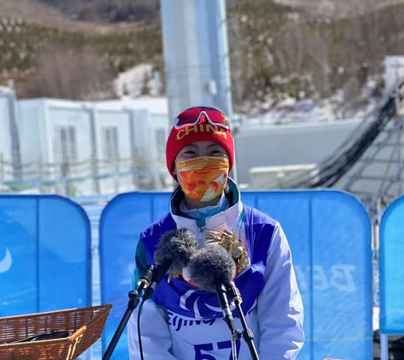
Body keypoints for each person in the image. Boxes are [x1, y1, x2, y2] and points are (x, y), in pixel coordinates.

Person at [128, 106, 304, 360]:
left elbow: (283, 321)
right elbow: (145, 334)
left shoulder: (264, 232)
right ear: (174, 168)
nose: (203, 162)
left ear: (229, 165)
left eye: (214, 153)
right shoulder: (151, 242)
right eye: (190, 153)